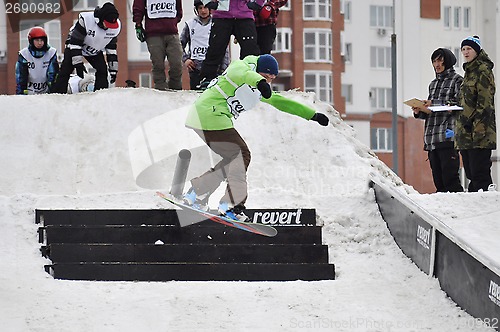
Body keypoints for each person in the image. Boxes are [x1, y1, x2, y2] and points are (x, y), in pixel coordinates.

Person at [182, 54, 330, 221]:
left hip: (204, 118)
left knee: (232, 159)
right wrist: (259, 81)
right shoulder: (241, 67)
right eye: (265, 77)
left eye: (271, 79)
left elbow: (282, 103)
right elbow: (244, 74)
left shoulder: (260, 89)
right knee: (241, 154)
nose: (267, 82)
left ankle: (196, 192)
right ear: (257, 71)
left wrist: (312, 115)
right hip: (210, 114)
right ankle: (231, 206)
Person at [412, 48, 463, 193]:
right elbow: (432, 112)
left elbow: (458, 105)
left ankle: (460, 211)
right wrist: (420, 111)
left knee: (450, 180)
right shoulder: (433, 84)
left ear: (448, 61)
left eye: (440, 60)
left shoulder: (457, 80)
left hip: (447, 135)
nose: (437, 64)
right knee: (438, 182)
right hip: (431, 138)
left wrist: (433, 102)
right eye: (434, 61)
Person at [455, 36, 496, 192]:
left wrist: (478, 127)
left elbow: (485, 103)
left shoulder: (483, 70)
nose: (465, 52)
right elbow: (467, 101)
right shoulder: (469, 72)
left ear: (477, 51)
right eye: (463, 49)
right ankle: (475, 204)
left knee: (480, 173)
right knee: (471, 173)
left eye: (469, 49)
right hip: (466, 131)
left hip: (480, 131)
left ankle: (486, 205)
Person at [52, 2, 121, 93]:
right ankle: (58, 95)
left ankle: (101, 94)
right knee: (66, 70)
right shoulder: (86, 21)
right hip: (75, 45)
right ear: (101, 19)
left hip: (93, 49)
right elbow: (75, 43)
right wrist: (78, 64)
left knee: (102, 70)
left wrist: (113, 69)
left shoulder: (115, 27)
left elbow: (111, 49)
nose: (109, 28)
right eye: (107, 24)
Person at [197, 0, 264, 88]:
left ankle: (250, 79)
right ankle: (207, 78)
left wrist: (257, 3)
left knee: (250, 51)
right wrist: (209, 3)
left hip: (244, 15)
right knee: (215, 48)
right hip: (222, 14)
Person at [133, 0, 184, 90]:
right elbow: (138, 7)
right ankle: (160, 89)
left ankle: (175, 89)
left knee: (177, 63)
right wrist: (138, 24)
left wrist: (173, 21)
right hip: (153, 34)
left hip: (172, 32)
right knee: (158, 64)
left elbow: (178, 9)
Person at [180, 0, 230, 90]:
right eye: (200, 8)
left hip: (215, 68)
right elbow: (180, 44)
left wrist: (224, 68)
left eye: (205, 7)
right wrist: (185, 59)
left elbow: (224, 47)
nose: (203, 11)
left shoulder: (217, 24)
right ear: (196, 9)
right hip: (195, 68)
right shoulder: (190, 24)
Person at [15, 27, 59, 95]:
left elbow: (53, 74)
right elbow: (21, 77)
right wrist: (21, 94)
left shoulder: (51, 53)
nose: (40, 43)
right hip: (29, 93)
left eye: (42, 40)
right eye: (37, 40)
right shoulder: (24, 55)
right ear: (31, 41)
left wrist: (53, 91)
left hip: (46, 92)